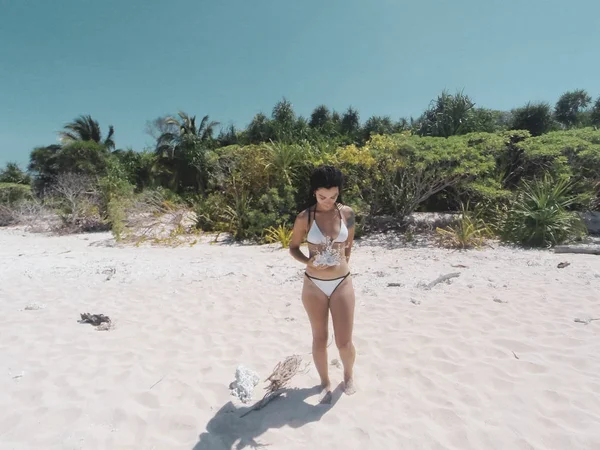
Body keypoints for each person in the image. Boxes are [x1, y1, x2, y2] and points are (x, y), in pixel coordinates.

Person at [288, 165, 357, 403]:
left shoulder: (347, 213)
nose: (328, 201)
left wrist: (343, 265)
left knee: (344, 341)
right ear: (314, 192)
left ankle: (348, 376)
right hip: (314, 285)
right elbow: (293, 248)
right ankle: (325, 382)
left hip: (342, 283)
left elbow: (349, 246)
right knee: (319, 338)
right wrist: (308, 261)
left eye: (334, 196)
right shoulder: (304, 217)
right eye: (322, 196)